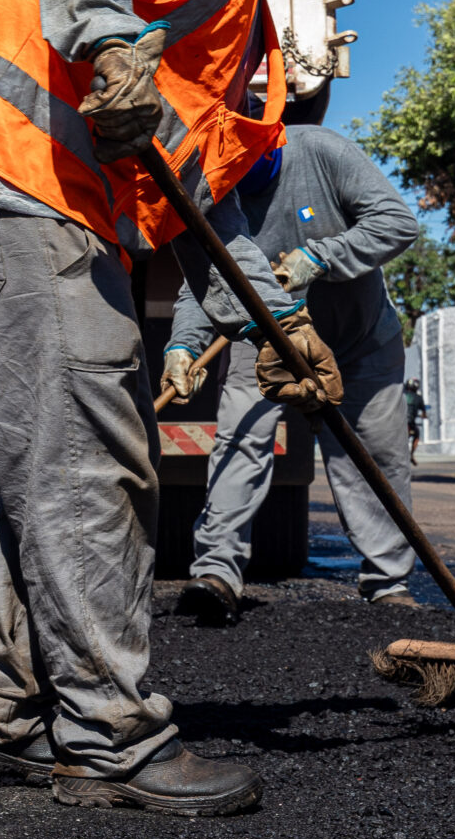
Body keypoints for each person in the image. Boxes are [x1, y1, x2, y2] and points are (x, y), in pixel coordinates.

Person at [0, 0, 429, 818]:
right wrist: (104, 39)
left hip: (45, 202)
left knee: (59, 468)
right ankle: (108, 740)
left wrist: (288, 330)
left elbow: (206, 211)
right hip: (12, 181)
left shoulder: (238, 26)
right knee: (91, 467)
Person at [163, 124, 420, 624]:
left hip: (358, 343)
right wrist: (182, 345)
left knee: (373, 455)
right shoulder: (218, 186)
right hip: (265, 338)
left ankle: (388, 583)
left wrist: (321, 256)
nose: (235, 175)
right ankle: (217, 572)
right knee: (238, 440)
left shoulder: (324, 153)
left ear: (271, 140)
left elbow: (397, 222)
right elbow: (204, 282)